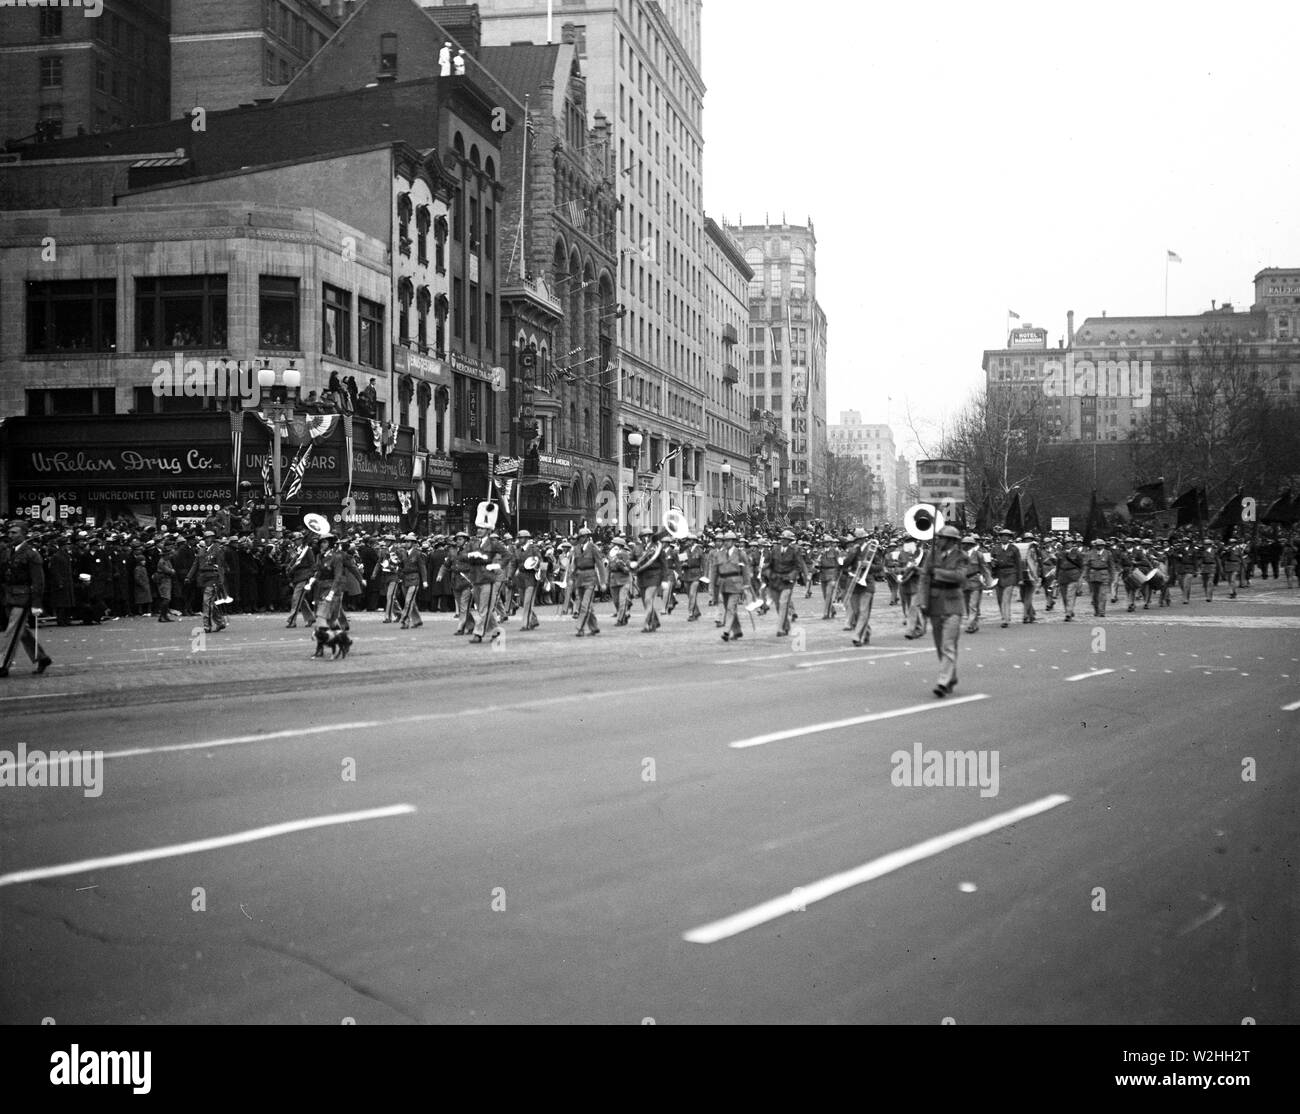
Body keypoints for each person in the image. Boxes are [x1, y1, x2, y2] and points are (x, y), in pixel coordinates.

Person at [1, 521, 53, 677]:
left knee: (11, 631)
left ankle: (3, 664)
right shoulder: (9, 551)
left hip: (23, 598)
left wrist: (37, 603)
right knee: (21, 632)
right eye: (9, 532)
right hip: (9, 596)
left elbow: (38, 581)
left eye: (14, 532)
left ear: (24, 534)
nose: (10, 535)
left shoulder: (31, 554)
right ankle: (41, 657)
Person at [922, 525, 968, 698]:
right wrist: (922, 601)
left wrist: (938, 572)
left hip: (953, 604)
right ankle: (951, 677)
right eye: (938, 537)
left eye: (942, 537)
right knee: (940, 646)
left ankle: (942, 681)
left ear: (951, 541)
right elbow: (924, 578)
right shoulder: (931, 555)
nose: (938, 540)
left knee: (948, 644)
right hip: (934, 604)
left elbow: (960, 576)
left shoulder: (961, 557)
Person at [763, 528, 809, 637]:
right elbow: (768, 565)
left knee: (784, 603)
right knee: (778, 605)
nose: (783, 540)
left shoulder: (794, 551)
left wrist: (791, 576)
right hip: (775, 580)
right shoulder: (774, 550)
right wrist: (769, 575)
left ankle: (780, 629)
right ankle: (786, 625)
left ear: (790, 541)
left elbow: (798, 566)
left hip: (788, 581)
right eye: (782, 539)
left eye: (786, 539)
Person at [711, 531, 752, 642]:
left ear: (733, 541)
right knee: (730, 608)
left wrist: (747, 585)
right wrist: (712, 586)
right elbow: (714, 571)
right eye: (724, 541)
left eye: (728, 540)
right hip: (723, 584)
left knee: (730, 608)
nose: (726, 543)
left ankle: (727, 631)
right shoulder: (718, 554)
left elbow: (746, 570)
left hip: (736, 584)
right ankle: (737, 631)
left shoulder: (740, 554)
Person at [187, 530, 228, 633]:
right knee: (210, 603)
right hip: (202, 579)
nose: (207, 540)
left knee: (206, 602)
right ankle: (220, 622)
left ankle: (207, 625)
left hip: (213, 578)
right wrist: (189, 576)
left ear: (213, 539)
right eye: (205, 538)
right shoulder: (201, 550)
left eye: (209, 538)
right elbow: (195, 564)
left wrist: (221, 580)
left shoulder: (218, 550)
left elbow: (221, 566)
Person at [569, 526, 607, 636]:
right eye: (580, 537)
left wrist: (603, 582)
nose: (581, 538)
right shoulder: (576, 549)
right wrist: (571, 578)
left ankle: (580, 628)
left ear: (587, 537)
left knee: (585, 604)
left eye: (583, 536)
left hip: (590, 578)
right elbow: (574, 565)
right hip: (579, 579)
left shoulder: (593, 548)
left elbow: (600, 565)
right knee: (585, 605)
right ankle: (594, 627)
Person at [989, 527, 1022, 628]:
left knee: (1006, 598)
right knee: (999, 598)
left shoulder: (1014, 549)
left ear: (1009, 538)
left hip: (1011, 573)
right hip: (998, 575)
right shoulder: (995, 548)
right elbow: (990, 562)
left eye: (1006, 536)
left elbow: (1018, 564)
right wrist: (992, 565)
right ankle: (1004, 615)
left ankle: (1005, 619)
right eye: (1002, 536)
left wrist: (1019, 578)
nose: (1004, 538)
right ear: (999, 538)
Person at [1084, 538, 1114, 617]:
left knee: (1103, 594)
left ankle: (1102, 611)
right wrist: (1085, 575)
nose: (1099, 547)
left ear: (1104, 545)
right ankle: (1096, 610)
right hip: (1093, 575)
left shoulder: (1108, 553)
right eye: (1098, 545)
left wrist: (1112, 576)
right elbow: (1087, 565)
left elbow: (1111, 566)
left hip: (1104, 575)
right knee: (1094, 595)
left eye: (1101, 545)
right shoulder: (1090, 553)